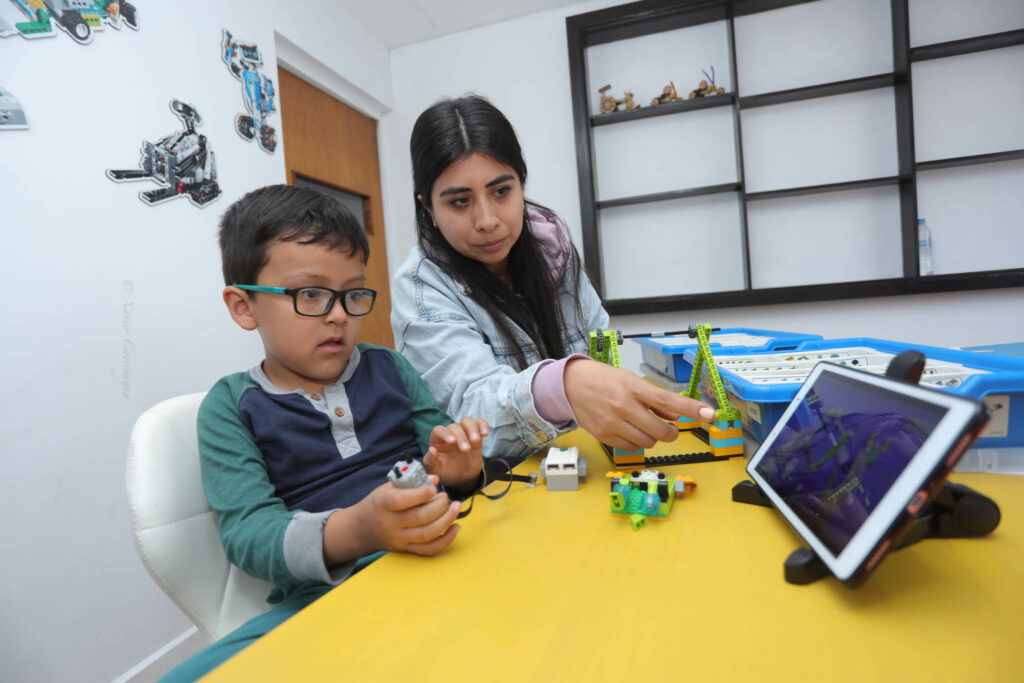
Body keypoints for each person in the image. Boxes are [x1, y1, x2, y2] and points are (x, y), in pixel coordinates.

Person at [163, 185, 488, 681]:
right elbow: (250, 534)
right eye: (310, 294)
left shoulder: (390, 369)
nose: (339, 313)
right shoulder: (230, 407)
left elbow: (440, 459)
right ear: (244, 307)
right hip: (322, 599)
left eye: (352, 293)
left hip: (439, 554)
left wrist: (462, 472)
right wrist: (357, 530)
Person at [391, 95, 715, 467]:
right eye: (459, 202)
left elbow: (599, 350)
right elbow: (471, 416)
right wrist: (562, 385)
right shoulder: (421, 289)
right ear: (427, 206)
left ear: (522, 182)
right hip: (502, 494)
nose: (487, 220)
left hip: (587, 465)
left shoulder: (553, 250)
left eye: (501, 191)